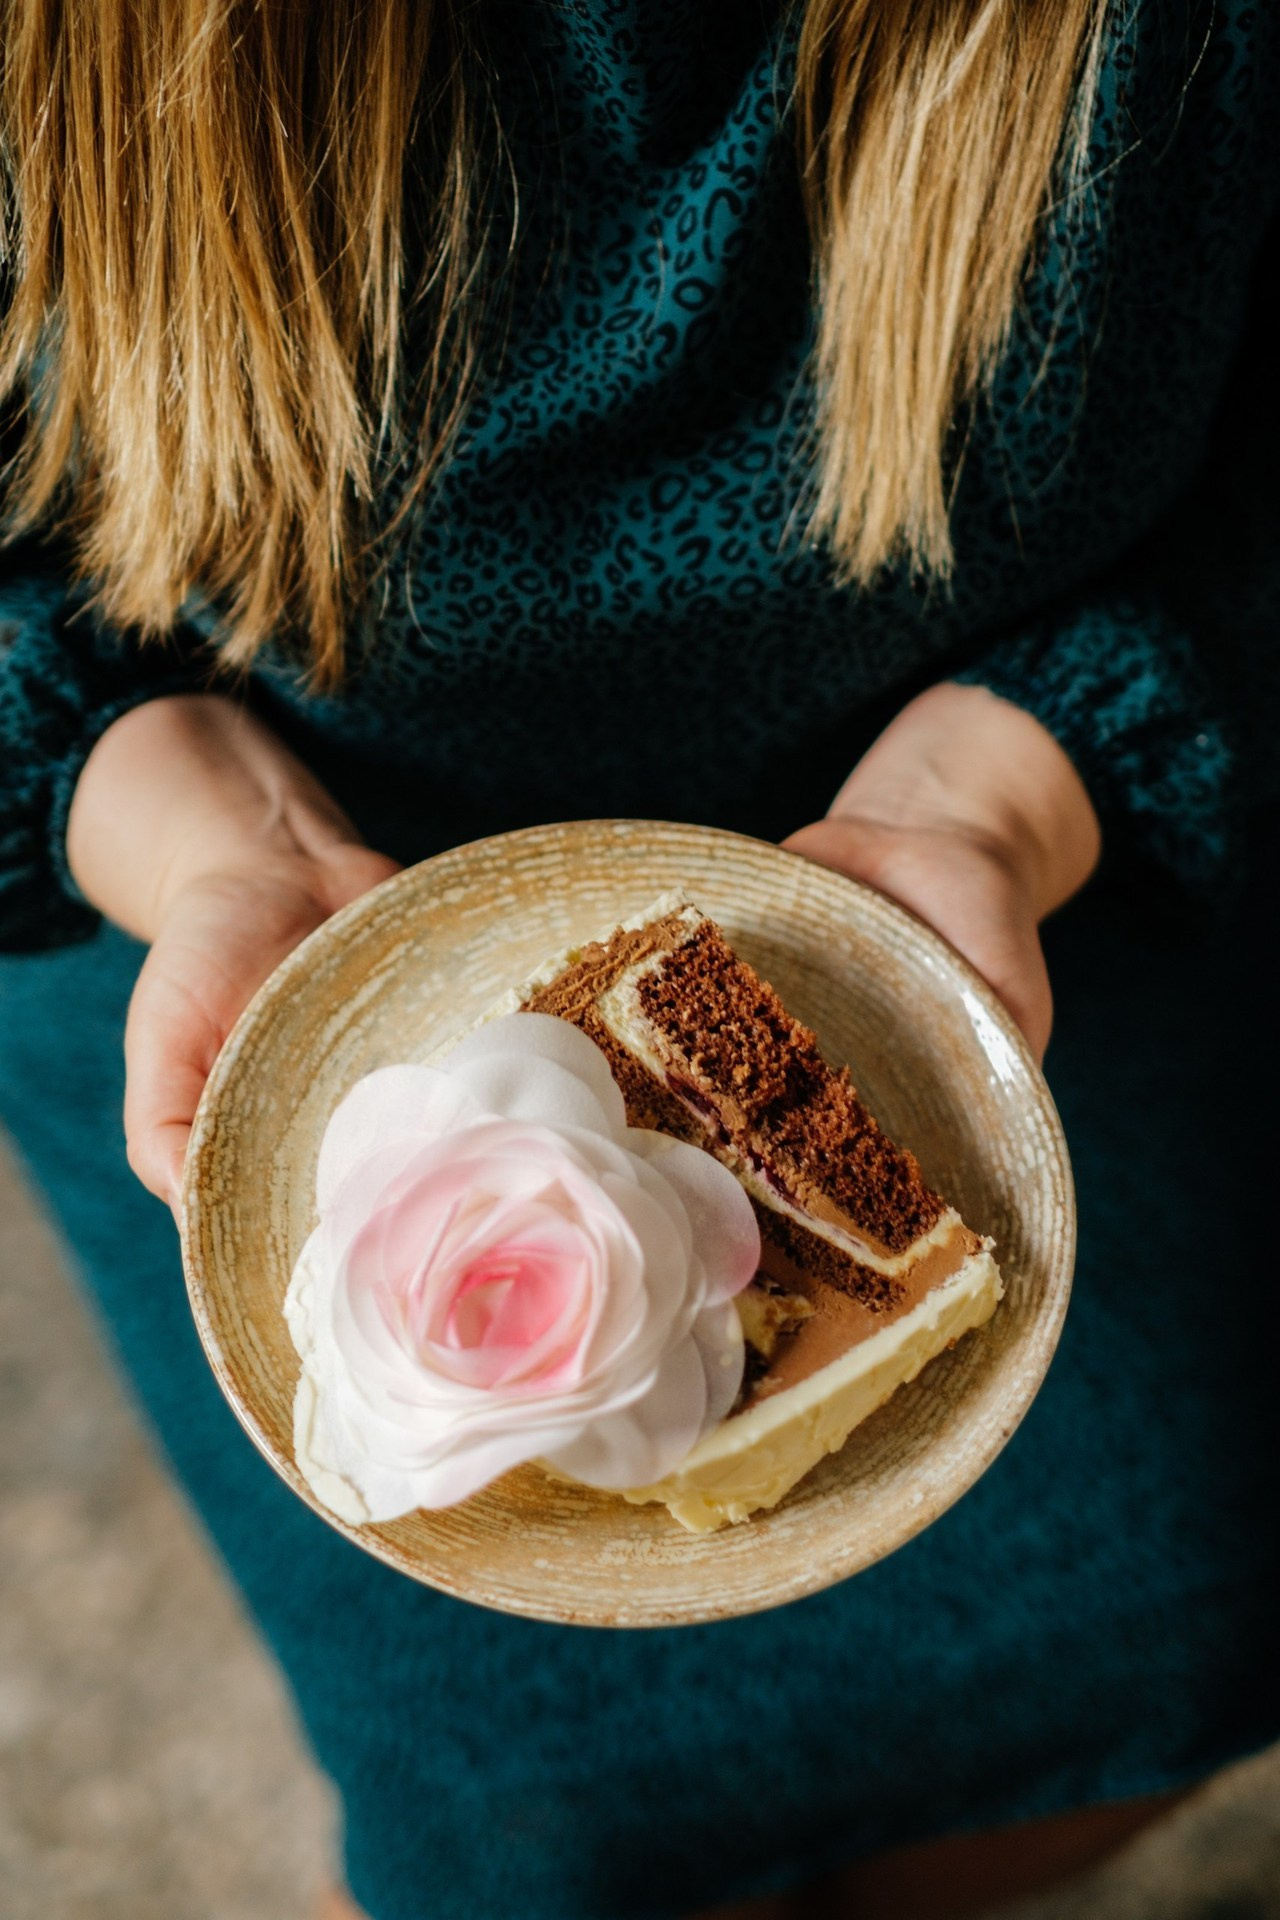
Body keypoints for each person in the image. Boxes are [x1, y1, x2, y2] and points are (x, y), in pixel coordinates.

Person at [1, 4, 1276, 1917]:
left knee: (1199, 1597)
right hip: (234, 880)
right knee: (529, 1837)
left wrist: (1010, 787)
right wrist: (194, 828)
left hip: (1050, 834)